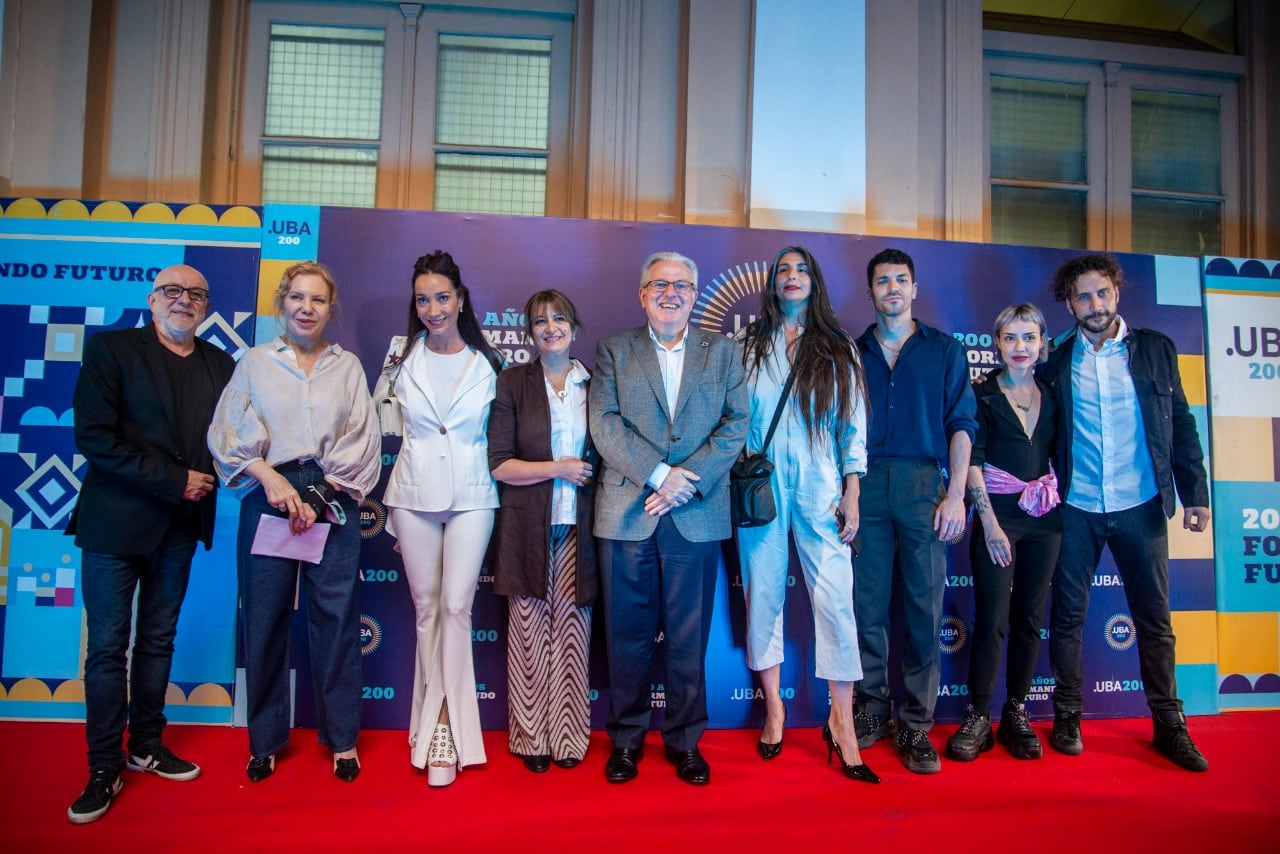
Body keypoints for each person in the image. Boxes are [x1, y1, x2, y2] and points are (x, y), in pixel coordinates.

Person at [66, 264, 235, 824]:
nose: (184, 300)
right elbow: (94, 438)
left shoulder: (221, 364)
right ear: (153, 298)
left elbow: (234, 442)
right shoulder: (112, 350)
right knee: (108, 648)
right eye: (173, 291)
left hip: (181, 528)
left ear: (206, 304)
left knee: (158, 640)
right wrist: (173, 480)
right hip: (114, 526)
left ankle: (145, 745)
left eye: (196, 293)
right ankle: (102, 764)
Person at [208, 261, 381, 785]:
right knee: (263, 620)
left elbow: (363, 437)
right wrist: (269, 478)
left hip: (333, 493)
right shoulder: (254, 363)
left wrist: (321, 492)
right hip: (269, 494)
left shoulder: (348, 367)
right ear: (282, 303)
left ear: (332, 309)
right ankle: (264, 741)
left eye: (318, 300)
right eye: (298, 298)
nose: (307, 308)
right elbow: (228, 431)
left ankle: (342, 740)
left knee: (336, 620)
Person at [1042, 253, 1211, 771]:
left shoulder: (1157, 349)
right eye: (1082, 296)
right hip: (1076, 507)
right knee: (1067, 618)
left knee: (1155, 620)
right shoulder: (1054, 360)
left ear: (1117, 294)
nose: (1094, 305)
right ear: (1068, 303)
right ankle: (1067, 713)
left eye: (1102, 293)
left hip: (1141, 504)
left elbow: (1181, 425)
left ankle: (1169, 723)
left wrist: (1196, 493)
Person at [589, 251, 748, 786]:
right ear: (642, 293)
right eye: (659, 284)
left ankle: (685, 742)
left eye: (682, 284)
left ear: (696, 293)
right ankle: (627, 741)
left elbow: (735, 423)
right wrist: (659, 475)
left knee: (688, 637)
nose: (670, 293)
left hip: (696, 514)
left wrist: (687, 479)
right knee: (627, 637)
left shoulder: (724, 352)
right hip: (629, 512)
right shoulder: (614, 349)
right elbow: (604, 424)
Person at [736, 246, 877, 783]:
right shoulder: (747, 346)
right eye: (782, 271)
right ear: (772, 284)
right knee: (763, 595)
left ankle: (842, 720)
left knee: (836, 602)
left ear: (814, 282)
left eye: (801, 270)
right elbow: (734, 419)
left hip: (822, 486)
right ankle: (774, 708)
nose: (792, 277)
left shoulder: (838, 347)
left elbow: (852, 426)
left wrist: (852, 490)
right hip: (763, 487)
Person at [375, 250, 505, 787]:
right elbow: (378, 424)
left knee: (456, 606)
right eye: (423, 299)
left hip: (474, 493)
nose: (433, 308)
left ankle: (446, 726)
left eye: (442, 297)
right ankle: (432, 726)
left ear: (461, 299)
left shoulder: (488, 362)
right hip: (412, 493)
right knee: (427, 611)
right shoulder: (398, 359)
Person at [853, 247, 977, 775]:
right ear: (872, 292)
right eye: (883, 281)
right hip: (866, 484)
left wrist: (955, 496)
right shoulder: (851, 352)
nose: (893, 289)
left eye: (901, 280)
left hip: (927, 486)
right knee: (868, 608)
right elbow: (841, 429)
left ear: (915, 289)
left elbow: (962, 424)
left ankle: (917, 725)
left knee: (925, 612)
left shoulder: (945, 351)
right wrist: (849, 489)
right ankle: (873, 708)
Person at [488, 289, 597, 773]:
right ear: (529, 332)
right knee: (529, 633)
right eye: (539, 321)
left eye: (559, 318)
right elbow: (500, 466)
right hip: (527, 524)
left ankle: (570, 736)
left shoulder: (596, 384)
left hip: (582, 525)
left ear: (575, 327)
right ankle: (531, 737)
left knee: (573, 633)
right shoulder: (512, 383)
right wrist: (557, 468)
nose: (550, 327)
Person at [946, 304, 1061, 762]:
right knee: (993, 620)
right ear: (997, 343)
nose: (1020, 347)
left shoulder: (1053, 394)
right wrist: (989, 523)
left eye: (1028, 338)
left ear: (1042, 343)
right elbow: (972, 462)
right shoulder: (982, 394)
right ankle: (978, 716)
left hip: (1045, 519)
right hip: (997, 517)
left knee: (1030, 620)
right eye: (1010, 338)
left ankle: (1017, 712)